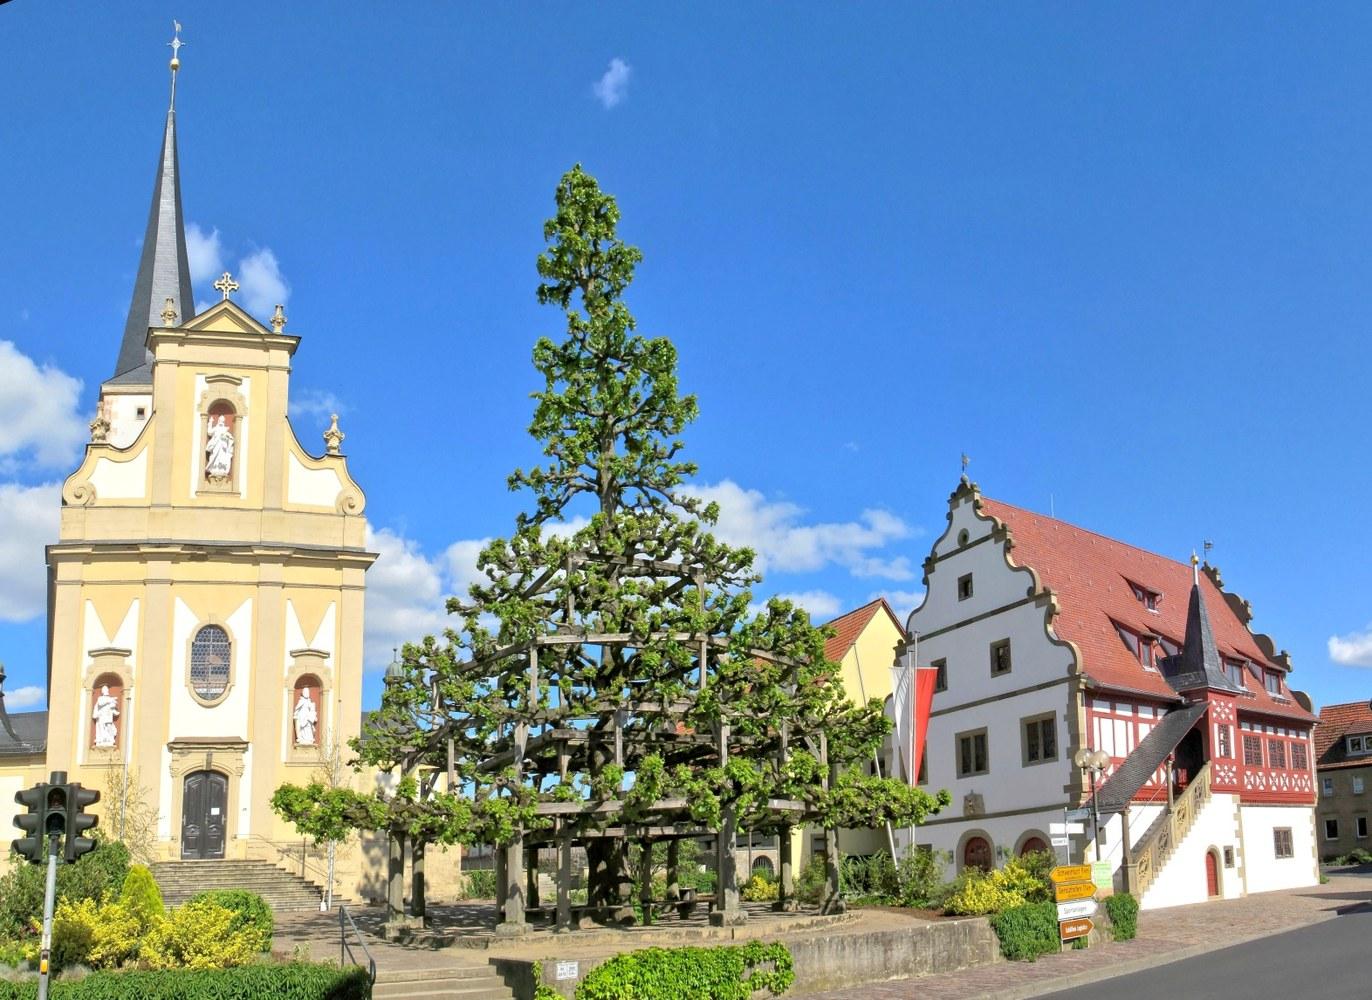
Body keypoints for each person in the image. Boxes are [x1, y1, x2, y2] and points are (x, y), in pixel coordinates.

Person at [205, 414, 235, 479]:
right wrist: (210, 422)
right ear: (218, 420)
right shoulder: (216, 428)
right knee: (214, 456)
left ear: (224, 421)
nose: (221, 421)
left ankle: (221, 469)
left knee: (222, 457)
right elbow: (209, 432)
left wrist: (228, 438)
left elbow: (230, 438)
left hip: (223, 447)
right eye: (220, 419)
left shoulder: (225, 429)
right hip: (216, 446)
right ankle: (214, 468)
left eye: (222, 420)